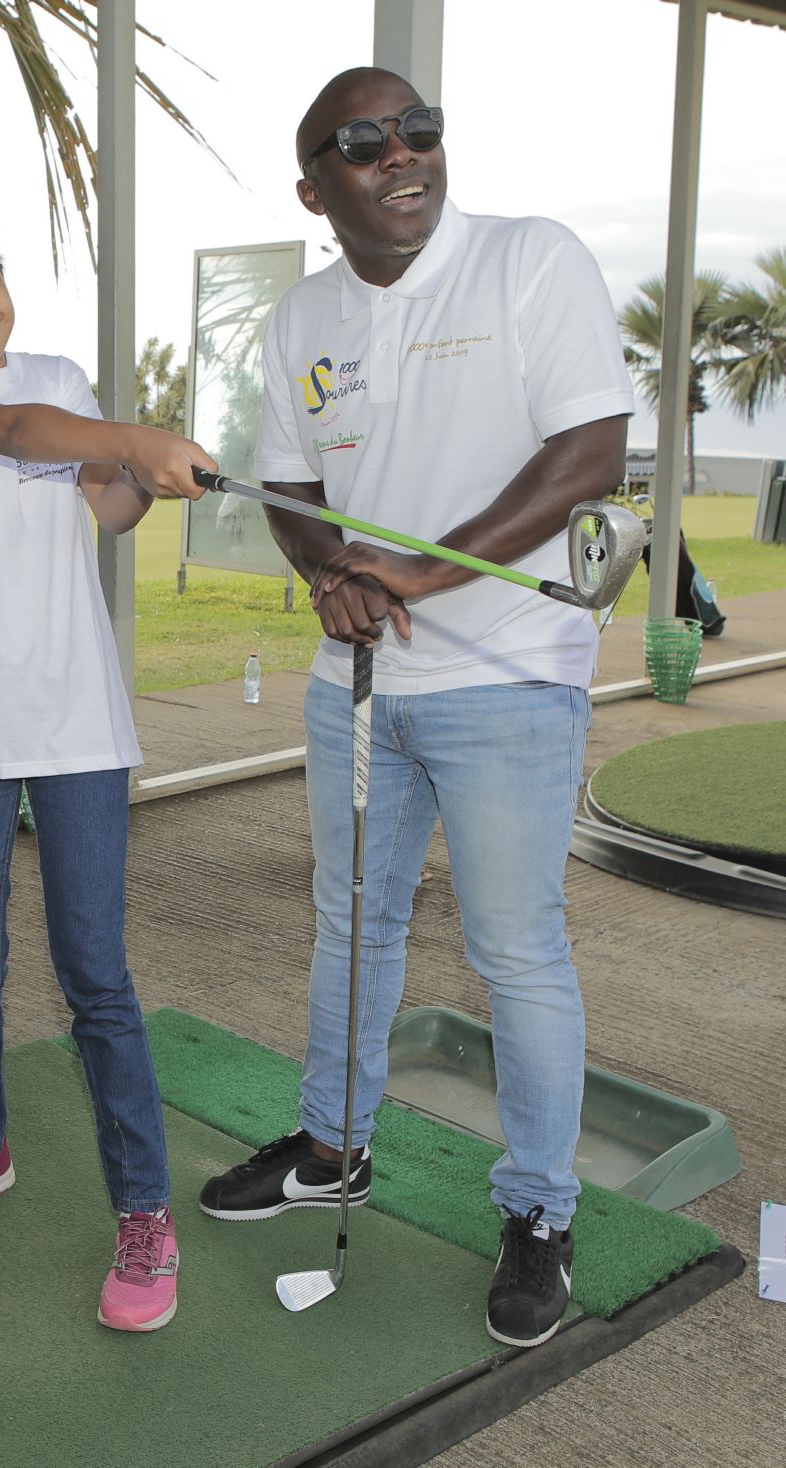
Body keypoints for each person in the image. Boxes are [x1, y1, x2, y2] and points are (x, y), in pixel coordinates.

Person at [197, 67, 632, 1350]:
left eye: (419, 132)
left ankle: (539, 1211)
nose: (403, 154)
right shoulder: (301, 318)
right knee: (352, 928)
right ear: (312, 185)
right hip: (361, 685)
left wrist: (419, 571)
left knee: (515, 953)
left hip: (508, 668)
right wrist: (328, 571)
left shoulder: (527, 263)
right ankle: (334, 1147)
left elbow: (588, 455)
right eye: (364, 141)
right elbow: (285, 486)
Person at [0, 197, 217, 1332]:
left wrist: (144, 475)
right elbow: (17, 435)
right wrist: (125, 439)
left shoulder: (62, 373)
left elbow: (102, 509)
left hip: (76, 723)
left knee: (96, 977)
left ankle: (142, 1209)